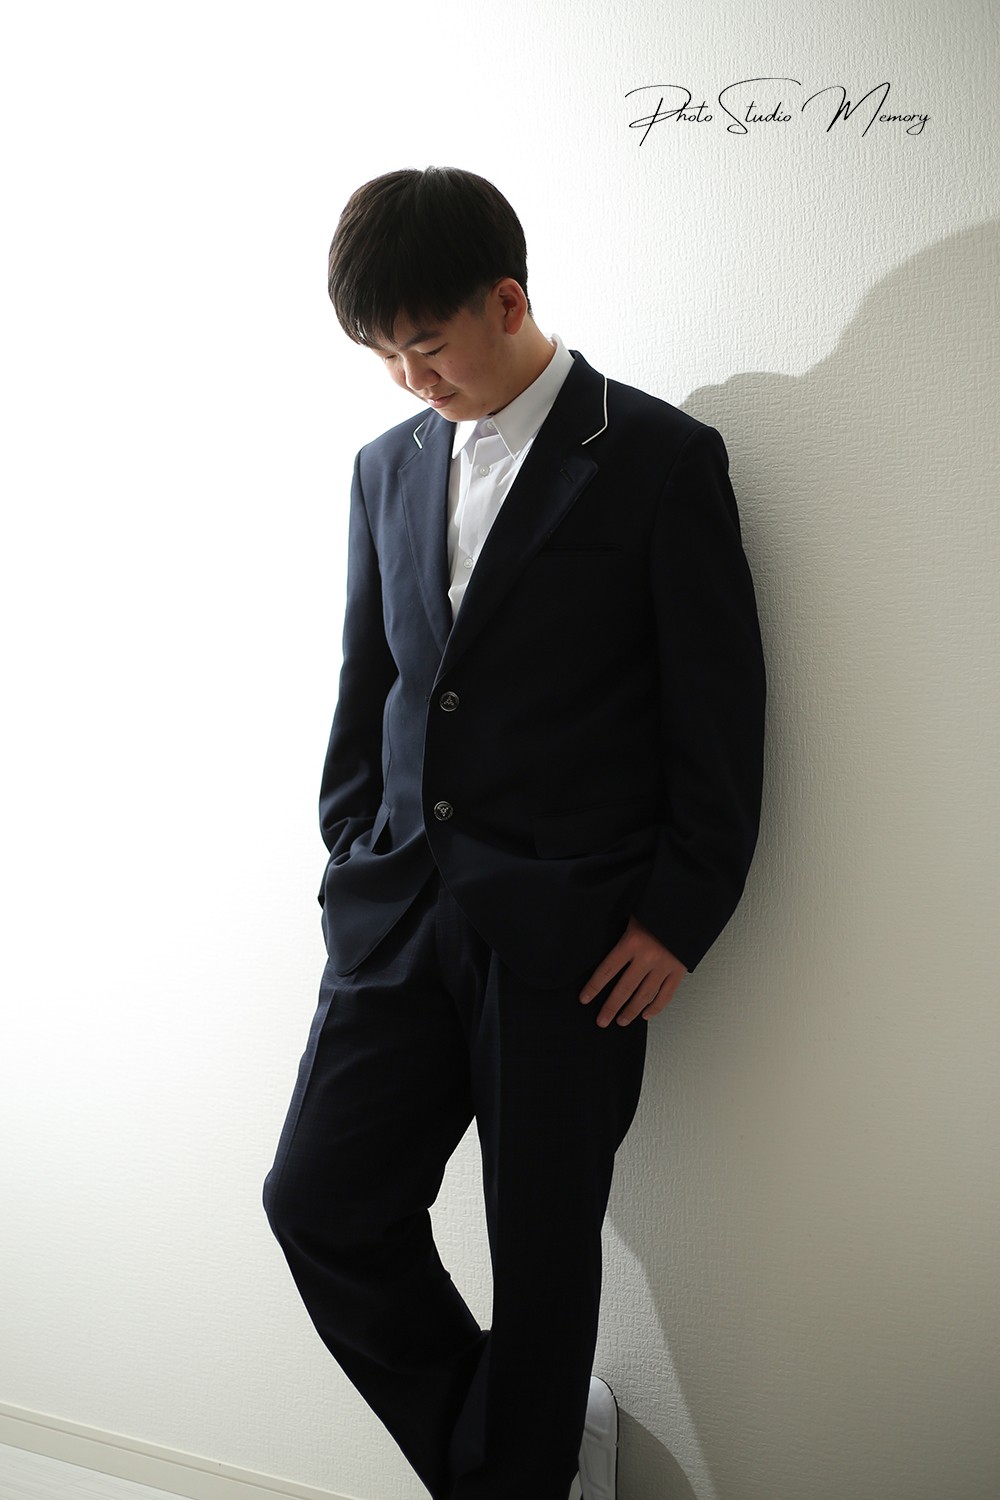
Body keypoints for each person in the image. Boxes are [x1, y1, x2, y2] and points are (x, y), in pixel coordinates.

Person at [263, 166, 766, 1500]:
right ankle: (520, 1466)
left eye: (426, 344)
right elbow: (371, 684)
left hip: (573, 938)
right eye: (383, 354)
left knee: (542, 1259)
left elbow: (718, 712)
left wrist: (680, 912)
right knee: (318, 1203)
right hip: (396, 918)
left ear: (507, 300)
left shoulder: (657, 459)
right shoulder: (385, 468)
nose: (409, 379)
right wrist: (351, 856)